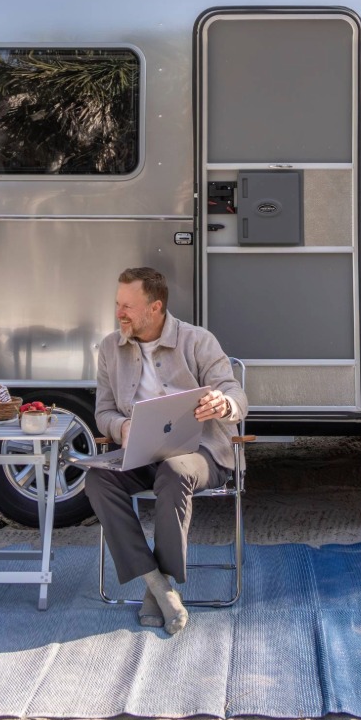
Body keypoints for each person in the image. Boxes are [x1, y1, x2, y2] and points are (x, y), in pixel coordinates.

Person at [82, 266, 246, 634]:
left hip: (201, 454)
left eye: (127, 306)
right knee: (96, 481)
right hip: (140, 452)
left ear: (155, 308)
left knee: (175, 472)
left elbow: (238, 396)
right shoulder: (110, 348)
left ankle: (159, 587)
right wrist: (121, 427)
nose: (119, 312)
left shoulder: (197, 341)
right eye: (117, 304)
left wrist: (222, 403)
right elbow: (103, 412)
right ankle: (157, 583)